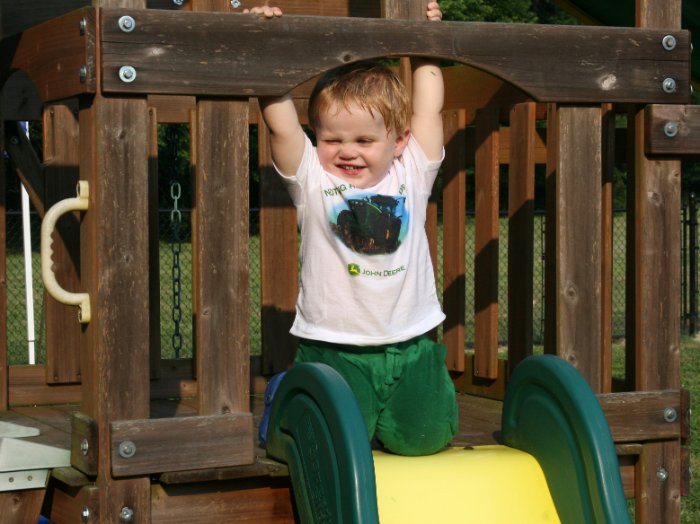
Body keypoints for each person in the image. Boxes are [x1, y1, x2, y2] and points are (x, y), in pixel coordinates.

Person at [250, 2, 457, 456]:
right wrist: (270, 43)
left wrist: (427, 43)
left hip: (411, 342)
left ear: (397, 141)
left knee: (426, 439)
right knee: (328, 444)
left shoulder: (412, 172)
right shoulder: (313, 181)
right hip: (335, 346)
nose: (348, 152)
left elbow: (429, 110)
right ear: (317, 138)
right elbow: (281, 127)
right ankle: (286, 395)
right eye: (332, 140)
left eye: (365, 140)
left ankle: (391, 409)